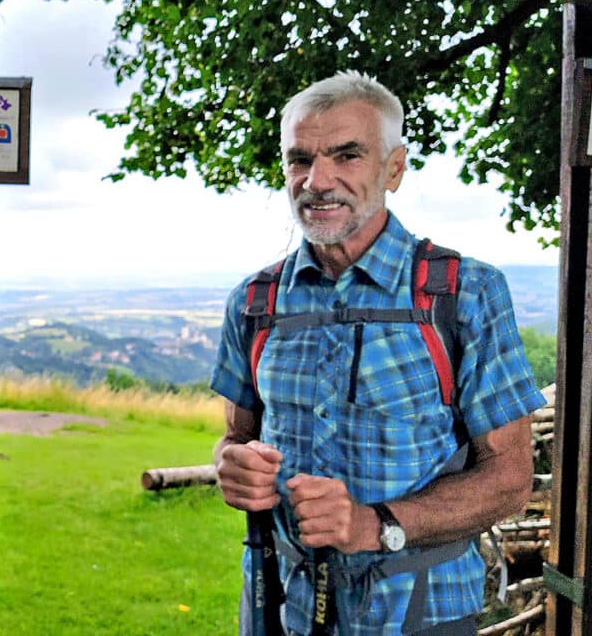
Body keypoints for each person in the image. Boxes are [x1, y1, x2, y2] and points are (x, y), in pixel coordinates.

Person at [209, 71, 545, 635]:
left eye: (347, 155)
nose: (317, 181)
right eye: (299, 160)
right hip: (280, 607)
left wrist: (375, 524)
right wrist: (231, 466)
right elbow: (238, 437)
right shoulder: (254, 300)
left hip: (422, 615)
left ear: (394, 168)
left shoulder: (464, 293)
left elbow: (510, 478)